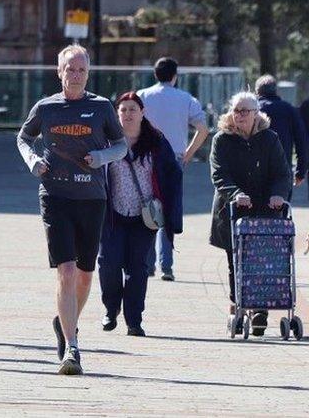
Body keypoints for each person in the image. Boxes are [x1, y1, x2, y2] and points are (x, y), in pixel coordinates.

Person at [17, 44, 127, 375]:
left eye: (81, 70)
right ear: (59, 72)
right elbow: (23, 137)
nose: (75, 75)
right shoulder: (46, 107)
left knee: (84, 273)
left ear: (88, 73)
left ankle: (65, 320)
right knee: (65, 270)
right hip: (55, 195)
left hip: (92, 197)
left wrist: (102, 158)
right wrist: (34, 160)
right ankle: (72, 346)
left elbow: (120, 145)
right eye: (70, 69)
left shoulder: (102, 107)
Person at [98, 92, 182, 337]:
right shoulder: (107, 140)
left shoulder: (156, 141)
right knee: (108, 264)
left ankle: (134, 320)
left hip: (144, 217)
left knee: (138, 269)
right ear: (117, 114)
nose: (127, 114)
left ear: (142, 112)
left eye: (132, 109)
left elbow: (172, 175)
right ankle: (111, 309)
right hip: (112, 215)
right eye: (123, 110)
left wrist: (171, 212)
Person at [209, 91, 291, 337]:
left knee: (264, 262)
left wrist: (278, 194)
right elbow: (219, 174)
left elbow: (281, 173)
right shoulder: (222, 139)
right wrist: (236, 194)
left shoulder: (269, 138)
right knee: (236, 262)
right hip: (233, 211)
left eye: (245, 111)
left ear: (256, 114)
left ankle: (260, 312)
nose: (240, 115)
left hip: (265, 211)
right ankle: (239, 304)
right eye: (236, 110)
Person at [137, 57, 209, 281]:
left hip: (146, 157)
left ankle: (146, 264)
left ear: (155, 74)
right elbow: (203, 128)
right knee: (169, 209)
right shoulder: (186, 98)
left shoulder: (143, 96)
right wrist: (188, 153)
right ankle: (166, 266)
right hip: (174, 160)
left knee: (147, 206)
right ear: (175, 76)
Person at [255, 74, 307, 196]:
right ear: (276, 91)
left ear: (257, 91)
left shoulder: (251, 110)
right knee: (280, 209)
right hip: (283, 170)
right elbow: (301, 142)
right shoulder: (290, 110)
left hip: (254, 170)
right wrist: (300, 171)